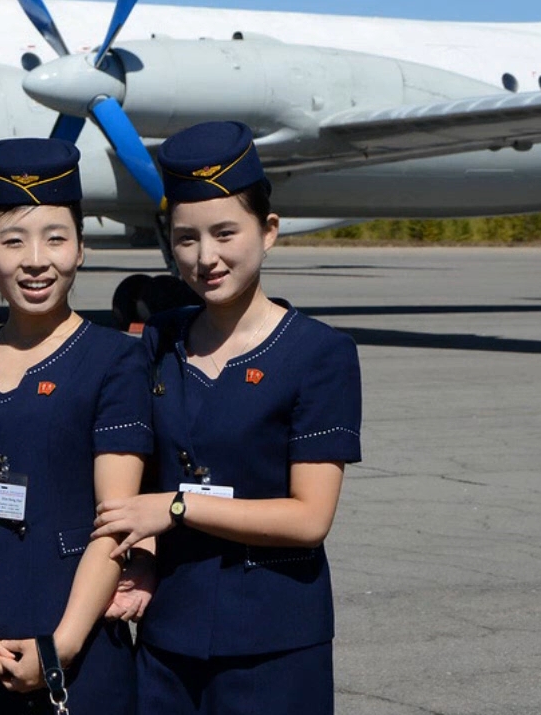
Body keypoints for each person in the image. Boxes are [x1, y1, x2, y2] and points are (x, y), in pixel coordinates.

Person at [91, 120, 362, 714]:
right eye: (186, 239)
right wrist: (142, 559)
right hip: (167, 634)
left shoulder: (318, 353)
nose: (205, 257)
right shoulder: (161, 338)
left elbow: (310, 518)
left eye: (224, 233)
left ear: (268, 232)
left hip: (274, 640)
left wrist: (176, 507)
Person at [0, 137, 153, 715]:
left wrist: (62, 644)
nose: (36, 259)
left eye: (56, 238)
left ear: (82, 248)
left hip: (79, 634)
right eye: (12, 240)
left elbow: (115, 522)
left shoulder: (115, 360)